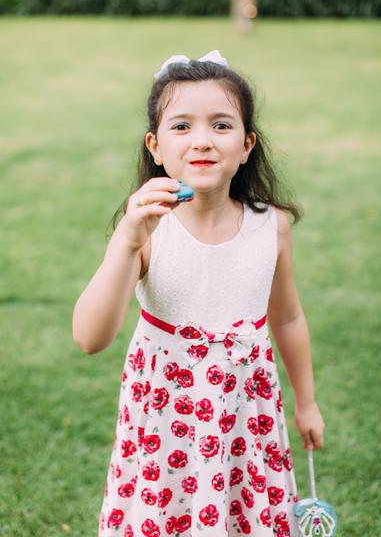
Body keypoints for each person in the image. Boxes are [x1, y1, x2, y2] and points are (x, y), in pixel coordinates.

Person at [72, 50, 325, 537]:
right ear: (155, 145)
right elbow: (90, 337)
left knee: (243, 513)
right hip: (166, 416)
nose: (203, 141)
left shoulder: (270, 226)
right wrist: (127, 237)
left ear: (247, 144)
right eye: (182, 127)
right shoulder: (146, 230)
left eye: (222, 126)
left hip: (245, 415)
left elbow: (288, 317)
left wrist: (307, 402)